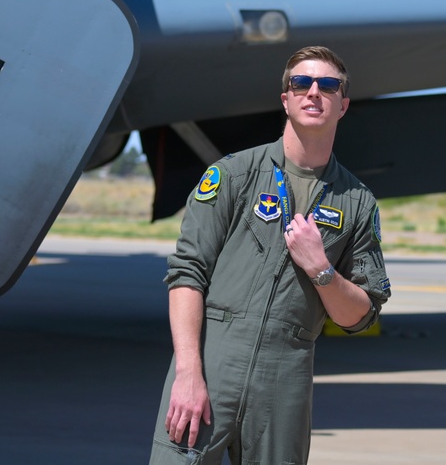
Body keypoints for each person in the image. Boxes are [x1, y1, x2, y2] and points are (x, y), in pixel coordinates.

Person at [148, 46, 391, 464]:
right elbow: (188, 275)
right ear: (286, 98)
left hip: (286, 378)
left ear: (343, 105)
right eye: (301, 83)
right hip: (211, 363)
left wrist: (321, 269)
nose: (314, 92)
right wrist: (188, 373)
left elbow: (361, 315)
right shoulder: (233, 175)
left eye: (328, 85)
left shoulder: (357, 202)